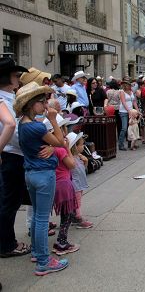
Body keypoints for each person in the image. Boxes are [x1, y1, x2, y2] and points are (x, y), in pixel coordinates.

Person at [14, 82, 69, 275]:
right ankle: (44, 260)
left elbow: (53, 145)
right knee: (42, 219)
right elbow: (61, 141)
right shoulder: (37, 127)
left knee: (38, 216)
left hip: (30, 174)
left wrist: (52, 147)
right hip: (44, 175)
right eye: (41, 101)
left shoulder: (23, 124)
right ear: (31, 104)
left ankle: (37, 252)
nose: (45, 105)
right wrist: (54, 119)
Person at [0, 58, 30, 259]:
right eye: (16, 76)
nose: (18, 80)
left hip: (13, 154)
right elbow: (13, 127)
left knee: (11, 201)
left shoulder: (9, 97)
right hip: (12, 155)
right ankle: (7, 244)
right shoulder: (3, 99)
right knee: (9, 202)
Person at [51, 128, 79, 256]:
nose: (64, 132)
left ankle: (61, 242)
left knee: (66, 214)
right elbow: (72, 165)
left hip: (56, 183)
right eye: (62, 130)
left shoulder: (49, 149)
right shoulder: (60, 149)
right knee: (67, 214)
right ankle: (62, 243)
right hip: (64, 185)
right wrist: (67, 148)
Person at [69, 132, 93, 229]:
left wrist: (86, 161)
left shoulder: (78, 156)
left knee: (77, 201)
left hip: (79, 183)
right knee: (77, 202)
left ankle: (75, 217)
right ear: (75, 146)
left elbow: (83, 170)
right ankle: (78, 218)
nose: (83, 146)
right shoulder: (71, 159)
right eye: (82, 144)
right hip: (75, 184)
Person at [118, 80, 139, 151]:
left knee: (131, 127)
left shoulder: (131, 92)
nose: (127, 86)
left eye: (128, 84)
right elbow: (123, 102)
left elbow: (134, 102)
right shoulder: (122, 92)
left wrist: (137, 110)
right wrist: (129, 111)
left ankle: (131, 144)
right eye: (125, 84)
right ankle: (121, 144)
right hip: (124, 111)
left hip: (131, 111)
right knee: (124, 128)